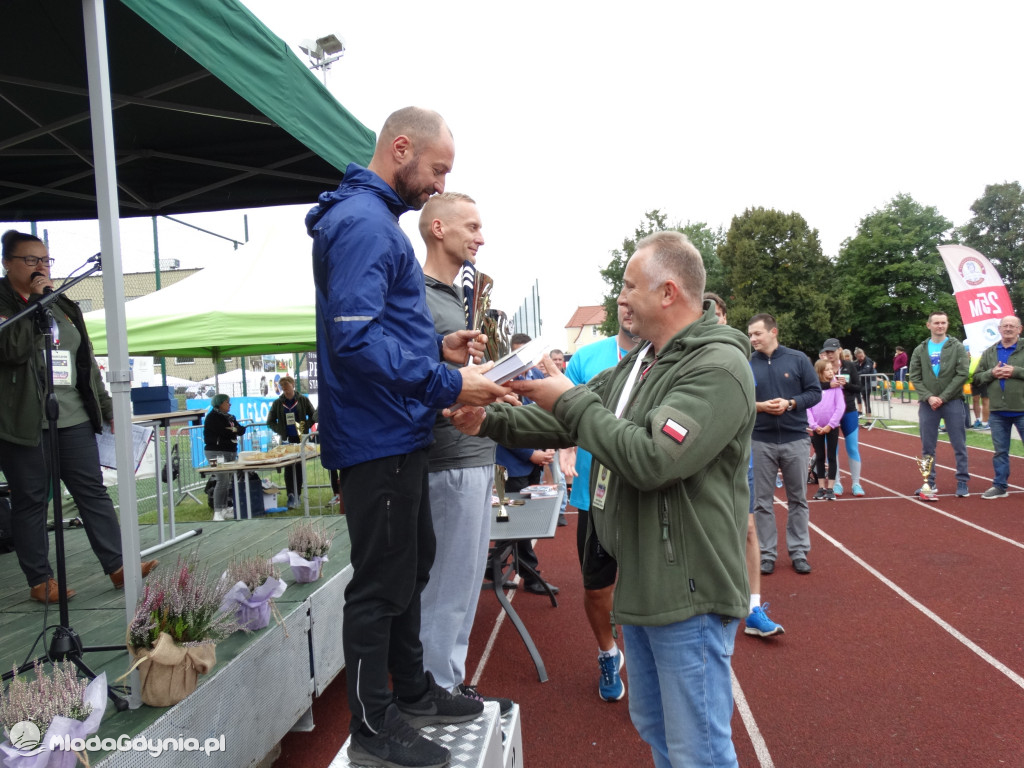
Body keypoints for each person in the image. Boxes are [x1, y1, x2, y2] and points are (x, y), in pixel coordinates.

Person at [446, 231, 754, 768]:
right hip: (646, 579)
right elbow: (564, 418)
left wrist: (570, 401)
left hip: (690, 589)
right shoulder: (645, 361)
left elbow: (654, 458)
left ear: (668, 292)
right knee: (658, 730)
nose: (621, 297)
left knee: (699, 750)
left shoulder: (717, 367)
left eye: (630, 286)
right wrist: (488, 419)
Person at [307, 106, 508, 768]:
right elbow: (355, 340)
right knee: (381, 584)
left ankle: (414, 691)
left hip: (394, 430)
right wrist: (447, 383)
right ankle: (374, 722)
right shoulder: (366, 223)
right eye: (437, 170)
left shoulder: (373, 220)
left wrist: (436, 347)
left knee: (412, 567)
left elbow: (376, 331)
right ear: (401, 148)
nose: (438, 184)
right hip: (378, 437)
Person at [0, 230, 158, 602]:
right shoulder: (7, 303)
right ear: (7, 263)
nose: (40, 267)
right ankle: (40, 580)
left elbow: (84, 362)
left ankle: (119, 565)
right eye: (30, 260)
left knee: (92, 491)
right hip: (22, 422)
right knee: (31, 500)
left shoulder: (63, 305)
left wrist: (106, 408)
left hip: (72, 417)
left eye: (45, 260)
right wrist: (34, 303)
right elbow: (11, 349)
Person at [415, 191, 512, 710]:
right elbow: (407, 374)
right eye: (471, 226)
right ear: (438, 229)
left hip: (473, 454)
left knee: (464, 582)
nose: (481, 237)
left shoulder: (456, 296)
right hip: (446, 458)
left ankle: (447, 680)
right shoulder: (415, 294)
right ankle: (434, 688)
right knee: (446, 586)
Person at [560, 303, 640, 699]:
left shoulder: (671, 357)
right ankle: (608, 653)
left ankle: (649, 661)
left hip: (646, 496)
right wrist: (564, 446)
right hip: (594, 496)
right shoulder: (587, 358)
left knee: (649, 587)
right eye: (623, 300)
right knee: (596, 588)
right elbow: (563, 413)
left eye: (636, 298)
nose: (629, 308)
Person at [704, 292, 783, 640]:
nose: (715, 319)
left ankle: (753, 610)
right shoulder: (687, 354)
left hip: (739, 459)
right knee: (705, 532)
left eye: (719, 314)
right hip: (700, 460)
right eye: (708, 313)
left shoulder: (740, 357)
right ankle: (708, 604)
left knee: (748, 529)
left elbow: (745, 405)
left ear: (725, 317)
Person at [748, 313, 822, 575]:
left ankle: (799, 552)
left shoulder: (798, 359)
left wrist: (791, 403)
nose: (753, 338)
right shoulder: (746, 362)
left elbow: (815, 393)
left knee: (798, 499)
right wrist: (759, 406)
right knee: (761, 502)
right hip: (760, 440)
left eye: (757, 333)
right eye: (750, 334)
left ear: (773, 332)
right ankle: (767, 554)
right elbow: (738, 399)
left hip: (795, 439)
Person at [493, 332, 560, 596]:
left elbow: (545, 416)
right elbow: (502, 426)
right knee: (513, 523)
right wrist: (531, 453)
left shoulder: (538, 377)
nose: (524, 362)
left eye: (528, 356)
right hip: (509, 466)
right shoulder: (503, 383)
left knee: (519, 522)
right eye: (518, 356)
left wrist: (548, 447)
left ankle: (492, 567)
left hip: (531, 464)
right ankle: (530, 576)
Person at [908, 311, 971, 497]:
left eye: (943, 322)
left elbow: (962, 374)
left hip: (953, 402)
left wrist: (943, 397)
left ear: (947, 324)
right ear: (928, 325)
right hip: (928, 404)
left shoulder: (957, 347)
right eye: (936, 323)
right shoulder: (920, 349)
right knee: (927, 446)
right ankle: (929, 482)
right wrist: (929, 397)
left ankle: (962, 481)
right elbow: (915, 376)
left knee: (959, 444)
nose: (940, 326)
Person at [972, 316, 1024, 499]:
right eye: (1005, 326)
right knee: (1000, 452)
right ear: (999, 329)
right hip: (997, 412)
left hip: (1022, 410)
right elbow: (977, 378)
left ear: (1019, 329)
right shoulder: (990, 352)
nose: (1008, 329)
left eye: (1012, 326)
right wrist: (991, 373)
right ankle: (999, 486)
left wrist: (1015, 371)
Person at [819, 339, 866, 497]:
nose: (830, 354)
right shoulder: (821, 367)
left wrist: (845, 384)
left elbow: (859, 388)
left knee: (852, 447)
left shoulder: (849, 366)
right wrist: (829, 385)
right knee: (833, 449)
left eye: (832, 351)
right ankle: (836, 483)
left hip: (848, 411)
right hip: (828, 413)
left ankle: (856, 483)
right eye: (827, 352)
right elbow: (814, 386)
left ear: (839, 350)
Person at [266, 375, 317, 509]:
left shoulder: (302, 400)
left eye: (287, 386)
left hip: (300, 439)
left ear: (293, 385)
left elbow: (314, 415)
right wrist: (280, 430)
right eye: (283, 387)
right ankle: (290, 495)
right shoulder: (278, 403)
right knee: (288, 468)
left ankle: (298, 495)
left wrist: (305, 426)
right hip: (286, 439)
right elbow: (270, 421)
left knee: (298, 467)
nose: (285, 389)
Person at [806, 359, 846, 500]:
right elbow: (808, 407)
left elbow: (840, 407)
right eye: (827, 370)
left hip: (832, 427)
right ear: (820, 372)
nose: (831, 372)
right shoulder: (813, 388)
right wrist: (814, 425)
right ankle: (821, 487)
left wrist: (830, 425)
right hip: (817, 428)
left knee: (831, 456)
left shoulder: (836, 387)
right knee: (820, 456)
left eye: (831, 369)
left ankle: (831, 488)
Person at [203, 393, 246, 521]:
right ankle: (217, 511)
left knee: (227, 481)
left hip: (230, 451)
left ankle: (224, 508)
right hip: (214, 452)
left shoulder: (230, 417)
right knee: (221, 479)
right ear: (220, 403)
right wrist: (234, 430)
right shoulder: (212, 417)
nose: (229, 404)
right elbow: (223, 431)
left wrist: (234, 430)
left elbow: (241, 430)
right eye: (227, 402)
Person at [853, 347, 875, 416]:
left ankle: (869, 418)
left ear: (864, 353)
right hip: (860, 383)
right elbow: (853, 370)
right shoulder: (856, 363)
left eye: (862, 356)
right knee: (857, 396)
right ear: (856, 356)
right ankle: (860, 411)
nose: (861, 358)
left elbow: (866, 371)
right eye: (859, 357)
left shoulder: (868, 361)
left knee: (866, 400)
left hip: (867, 382)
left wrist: (856, 374)